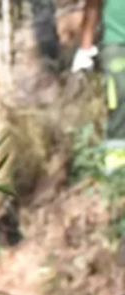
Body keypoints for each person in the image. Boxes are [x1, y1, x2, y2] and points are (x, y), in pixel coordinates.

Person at [78, 0, 125, 172]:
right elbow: (92, 6)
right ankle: (117, 158)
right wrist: (85, 47)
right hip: (116, 43)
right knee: (119, 95)